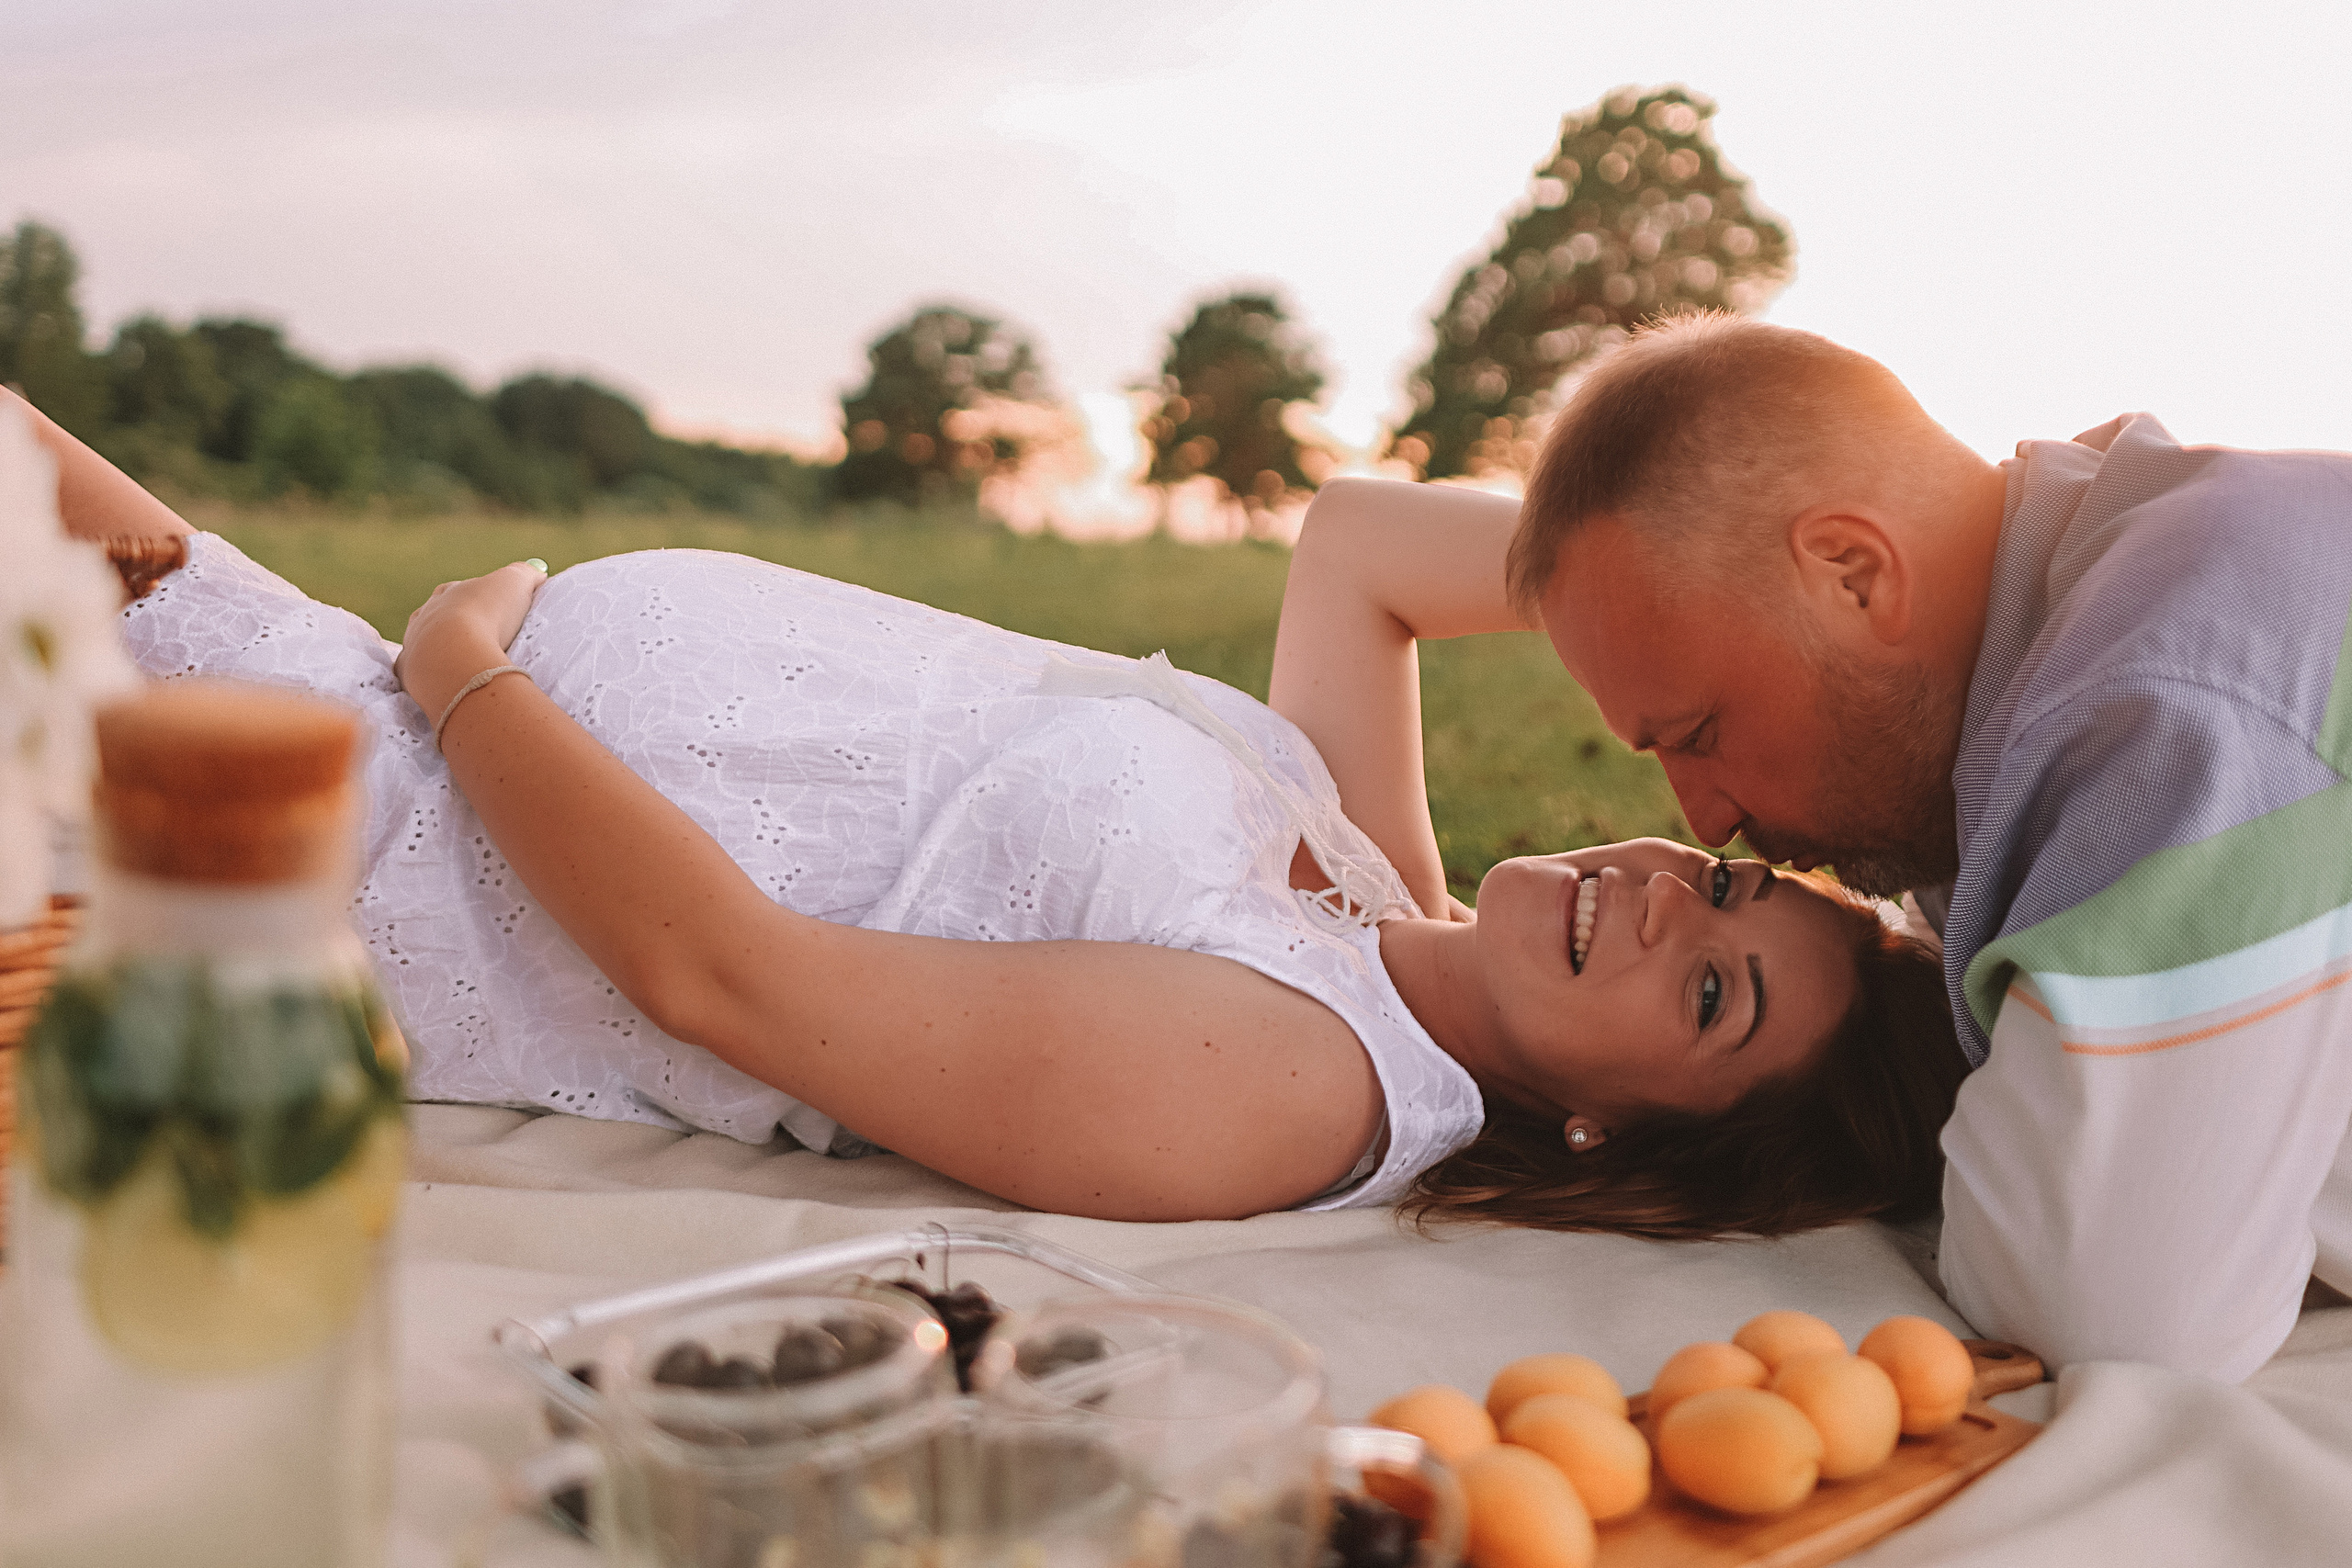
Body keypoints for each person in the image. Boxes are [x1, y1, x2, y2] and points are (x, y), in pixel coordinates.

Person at [15, 385, 1959, 1231]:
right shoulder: (1380, 888)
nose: (1659, 897)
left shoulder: (1304, 1080)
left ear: (1625, 1129)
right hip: (336, 688)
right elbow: (1360, 545)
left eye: (1711, 991)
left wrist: (467, 664)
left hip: (334, 837)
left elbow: (725, 978)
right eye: (1721, 881)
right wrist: (1731, 637)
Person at [1500, 310, 2352, 1380]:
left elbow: (2112, 1311)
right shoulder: (2079, 591)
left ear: (1854, 571)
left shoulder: (2170, 698)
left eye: (1701, 734)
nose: (1704, 821)